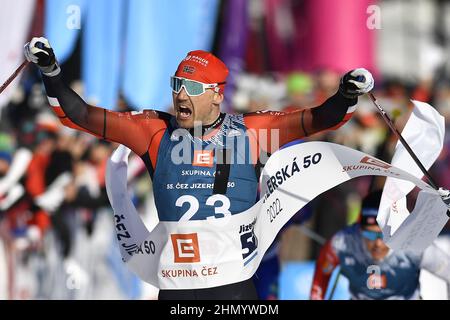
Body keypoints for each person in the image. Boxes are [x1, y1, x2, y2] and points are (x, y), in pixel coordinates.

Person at [24, 36, 374, 300]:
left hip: (232, 284)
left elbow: (318, 119)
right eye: (176, 85)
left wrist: (346, 95)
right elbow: (80, 116)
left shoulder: (252, 131)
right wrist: (51, 71)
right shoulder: (154, 130)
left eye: (191, 87)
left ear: (217, 95)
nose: (180, 95)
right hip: (177, 283)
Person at [310, 190, 450, 300]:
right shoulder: (342, 242)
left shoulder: (413, 243)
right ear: (359, 230)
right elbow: (321, 274)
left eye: (384, 236)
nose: (377, 243)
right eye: (370, 234)